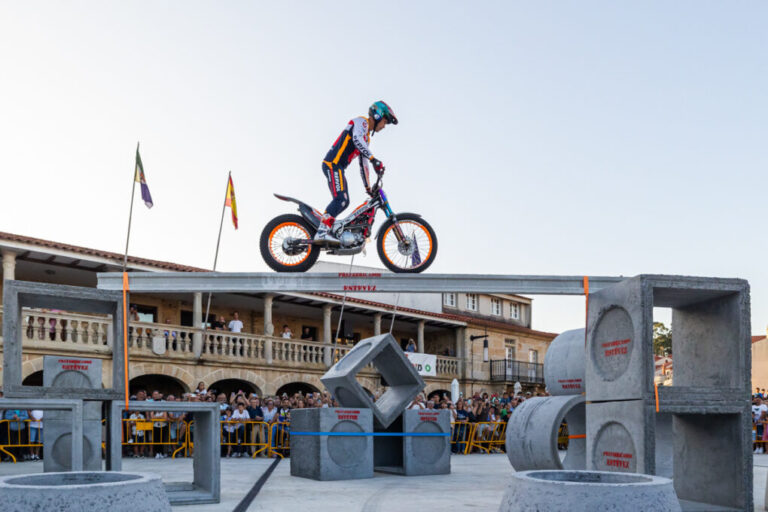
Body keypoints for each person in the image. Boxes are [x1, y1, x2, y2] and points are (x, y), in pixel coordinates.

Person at [314, 101, 398, 242]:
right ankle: (322, 231)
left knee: (345, 201)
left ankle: (327, 228)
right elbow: (356, 139)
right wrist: (373, 159)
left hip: (338, 168)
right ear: (377, 116)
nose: (384, 126)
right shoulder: (361, 122)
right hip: (332, 164)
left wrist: (368, 187)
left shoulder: (366, 138)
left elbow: (363, 164)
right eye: (384, 122)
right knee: (341, 199)